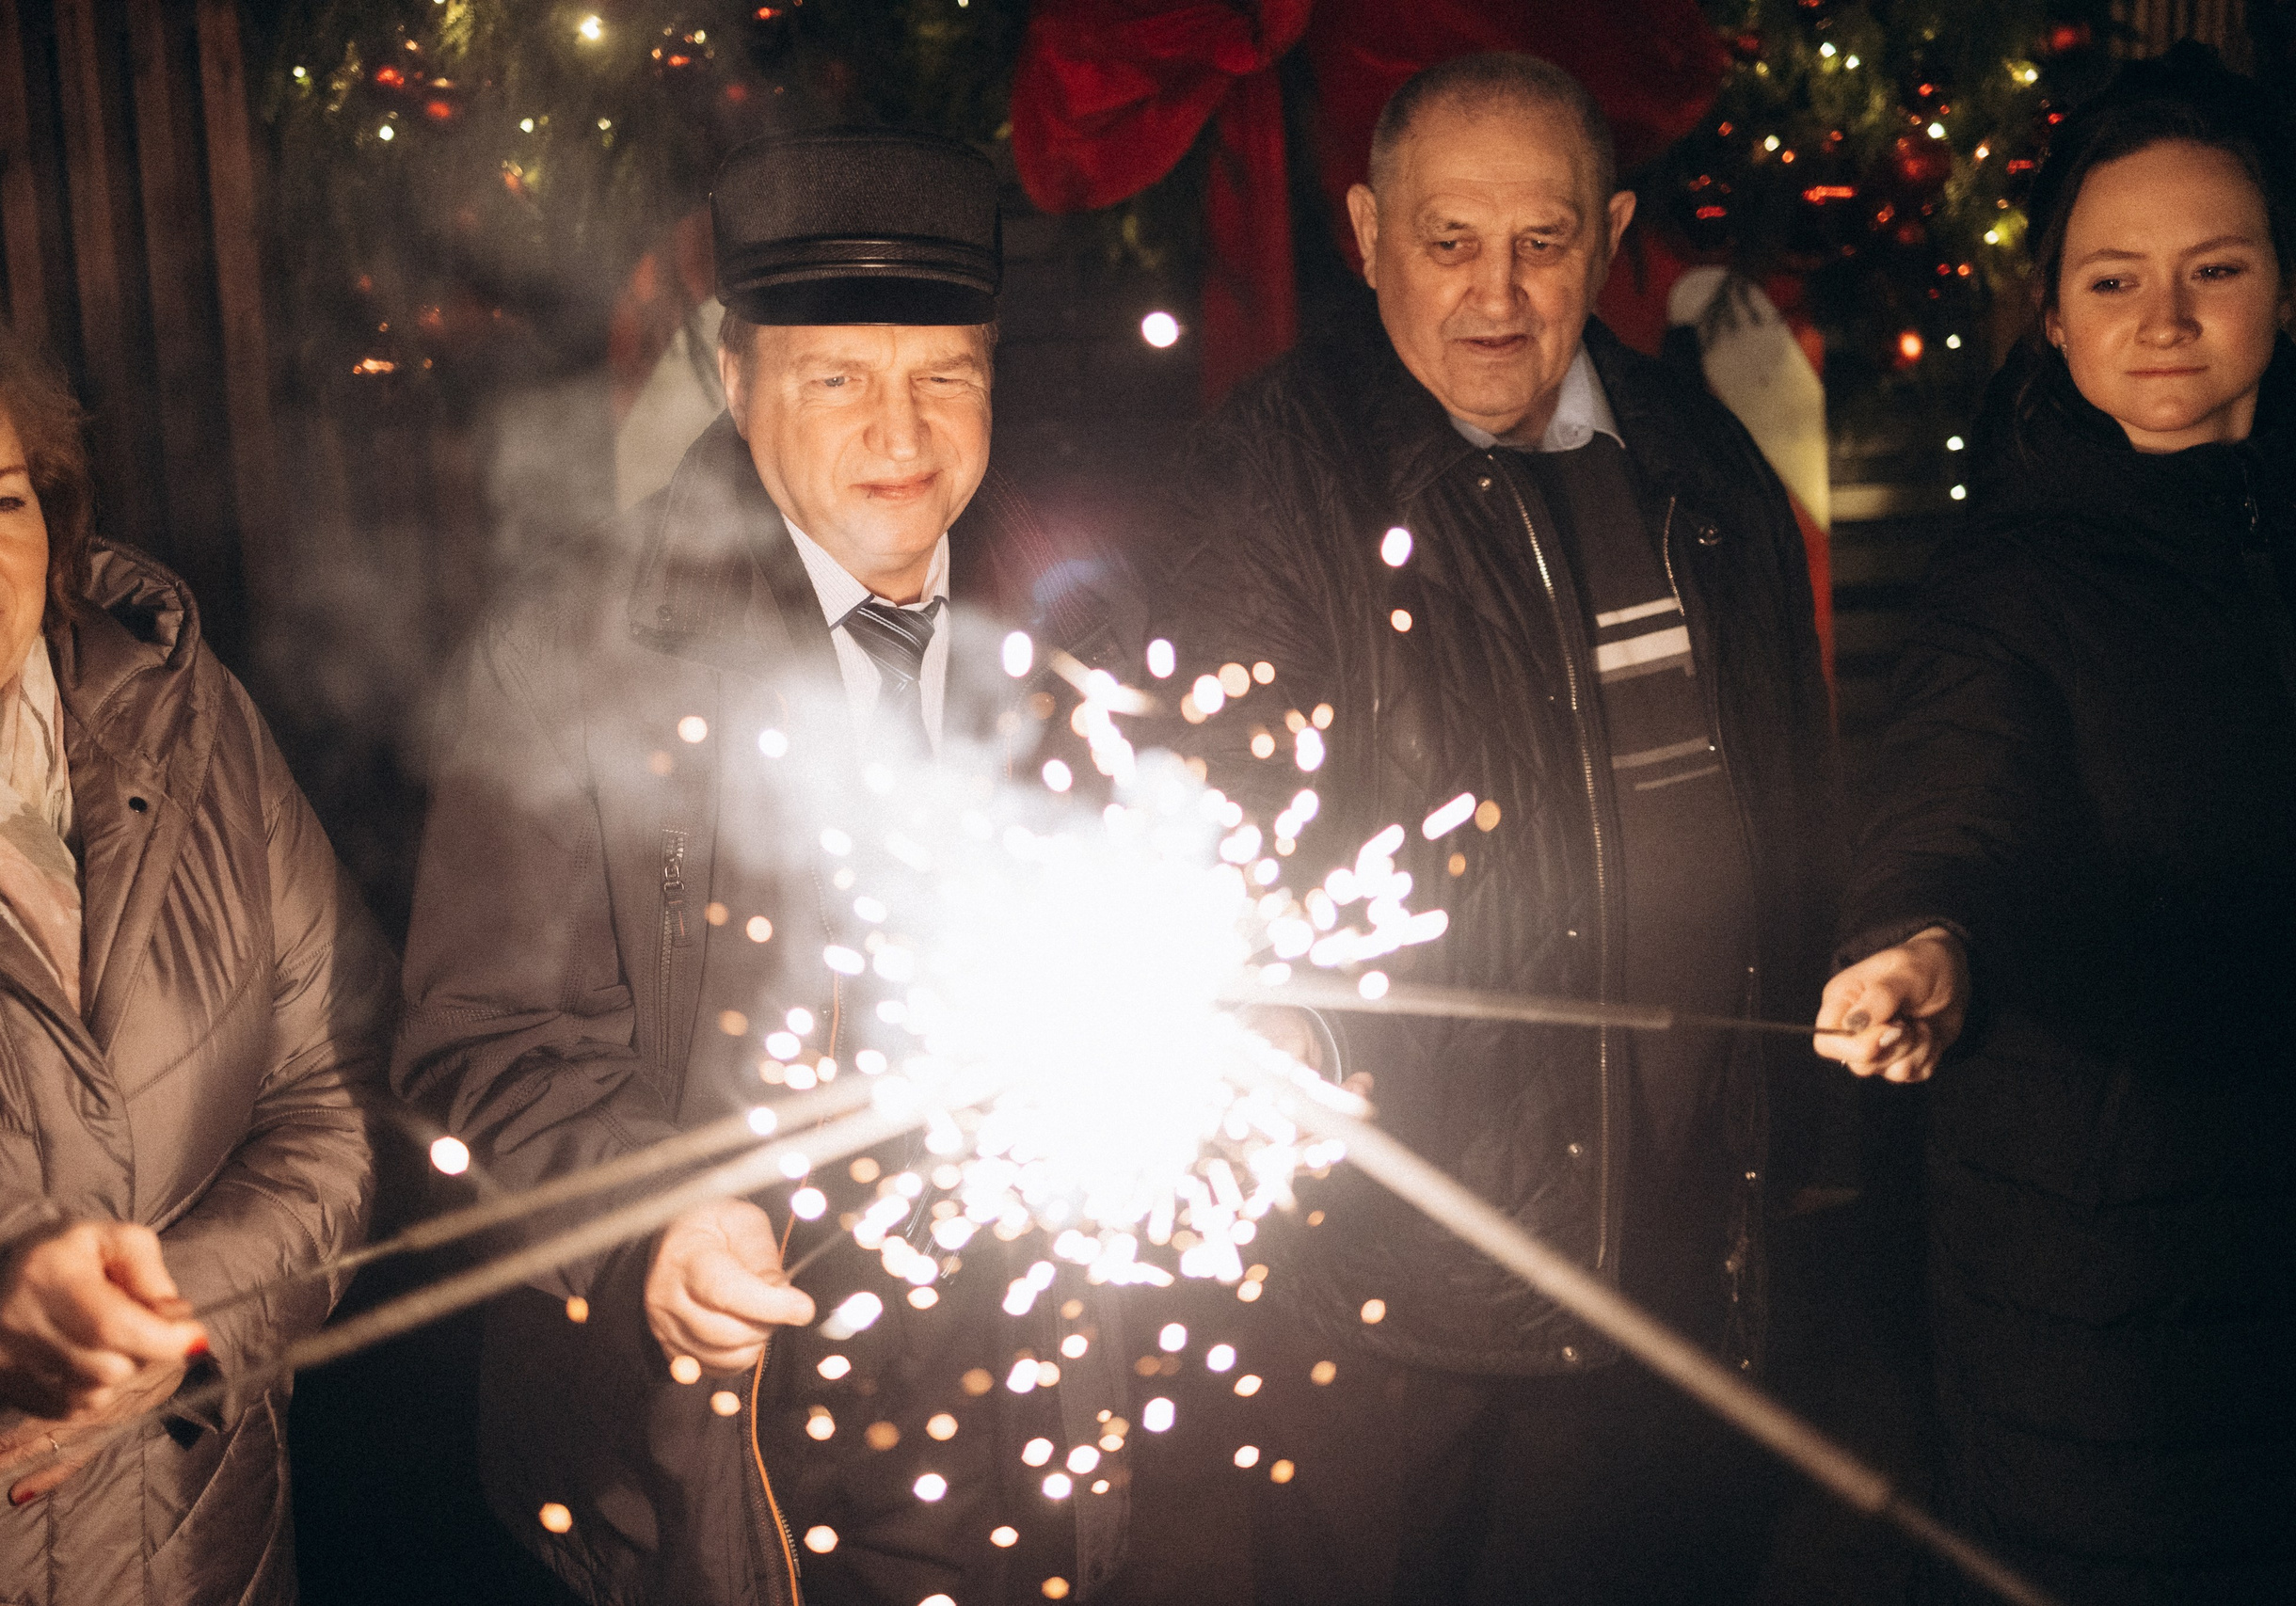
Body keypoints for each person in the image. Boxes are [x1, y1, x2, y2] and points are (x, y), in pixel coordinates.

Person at [394, 129, 1136, 1606]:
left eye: (943, 375)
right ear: (736, 385)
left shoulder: (1084, 637)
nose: (900, 432)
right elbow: (478, 1050)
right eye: (838, 379)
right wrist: (654, 1228)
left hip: (1025, 1415)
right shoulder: (571, 654)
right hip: (717, 1444)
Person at [1144, 53, 1837, 1604]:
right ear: (1365, 233)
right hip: (1402, 1305)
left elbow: (1789, 788)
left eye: (1543, 242)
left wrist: (1790, 1123)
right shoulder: (1272, 477)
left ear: (1612, 238)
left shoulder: (1698, 460)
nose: (1496, 296)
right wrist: (1280, 1026)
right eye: (1449, 241)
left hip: (1680, 1259)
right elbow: (1220, 803)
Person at [1815, 47, 2296, 1604]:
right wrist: (1920, 947)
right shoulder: (2012, 576)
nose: (2165, 318)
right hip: (2112, 1287)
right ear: (2057, 314)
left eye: (2214, 268)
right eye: (2114, 278)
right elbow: (1955, 801)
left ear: (2285, 288)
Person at [0, 283, 391, 1602]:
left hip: (207, 1531)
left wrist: (178, 1324)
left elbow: (333, 1089)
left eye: (1, 500)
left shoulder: (181, 717)